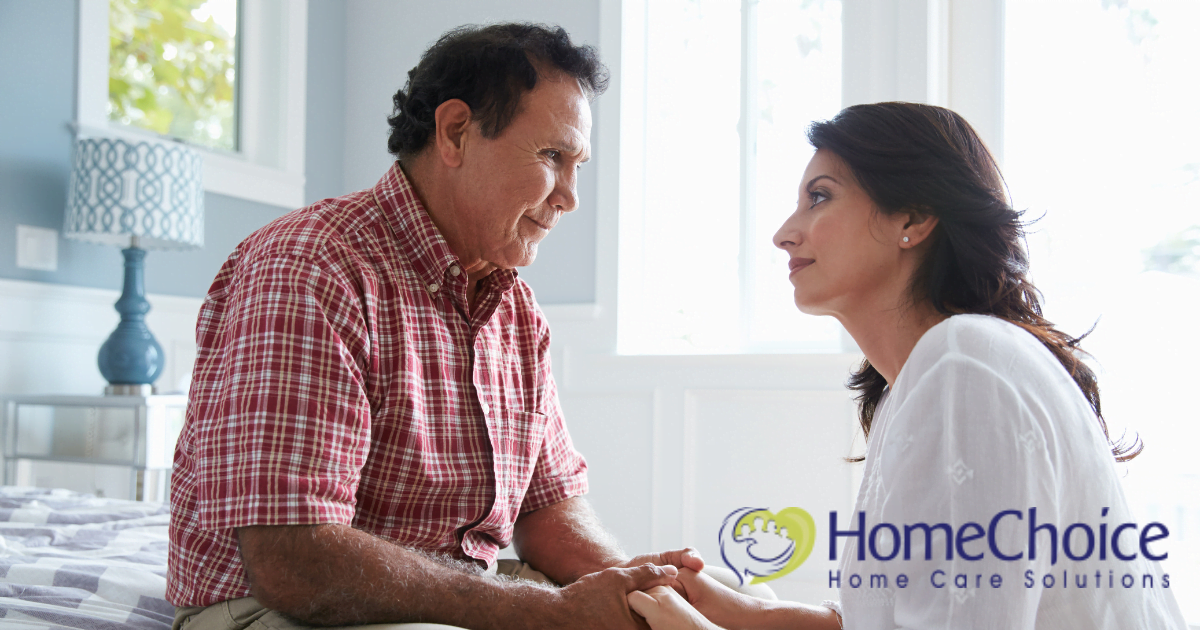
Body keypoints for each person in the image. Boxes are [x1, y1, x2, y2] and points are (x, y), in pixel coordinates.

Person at [166, 23, 704, 630]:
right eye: (553, 156)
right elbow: (293, 560)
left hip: (449, 597)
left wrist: (638, 589)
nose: (570, 197)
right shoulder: (311, 269)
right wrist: (547, 611)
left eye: (577, 164)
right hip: (269, 607)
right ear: (455, 133)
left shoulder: (515, 310)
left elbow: (548, 510)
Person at [624, 102, 1189, 629]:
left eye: (819, 197)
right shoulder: (931, 375)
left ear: (914, 219)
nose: (784, 233)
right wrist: (746, 612)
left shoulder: (966, 367)